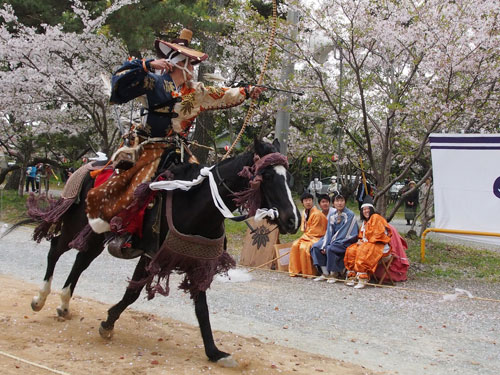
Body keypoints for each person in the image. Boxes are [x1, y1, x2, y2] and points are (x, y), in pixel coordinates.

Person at [86, 28, 265, 235]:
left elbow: (221, 94)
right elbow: (120, 80)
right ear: (178, 64)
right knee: (140, 184)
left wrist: (248, 91)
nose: (193, 68)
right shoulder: (153, 82)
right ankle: (125, 229)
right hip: (149, 145)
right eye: (189, 63)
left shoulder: (195, 91)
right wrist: (147, 64)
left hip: (178, 150)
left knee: (201, 183)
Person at [344, 196, 392, 289]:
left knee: (363, 250)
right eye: (364, 209)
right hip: (368, 244)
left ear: (372, 209)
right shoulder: (365, 222)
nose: (366, 211)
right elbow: (362, 236)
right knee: (351, 249)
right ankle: (352, 275)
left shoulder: (376, 217)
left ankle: (363, 278)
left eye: (368, 209)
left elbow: (379, 235)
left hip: (380, 245)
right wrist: (360, 241)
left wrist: (365, 242)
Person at [311, 194, 359, 283]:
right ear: (333, 203)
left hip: (346, 241)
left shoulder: (350, 214)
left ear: (345, 202)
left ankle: (334, 273)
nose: (339, 203)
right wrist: (325, 245)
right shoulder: (332, 215)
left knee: (331, 248)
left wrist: (329, 244)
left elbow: (345, 232)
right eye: (337, 201)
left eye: (342, 201)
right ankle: (325, 273)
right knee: (316, 247)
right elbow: (329, 231)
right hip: (335, 240)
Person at [288, 192, 328, 277]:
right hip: (307, 236)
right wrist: (304, 237)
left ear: (312, 201)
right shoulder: (304, 212)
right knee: (295, 244)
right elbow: (304, 228)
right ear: (302, 203)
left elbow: (315, 231)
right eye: (305, 200)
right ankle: (296, 270)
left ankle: (309, 272)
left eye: (309, 200)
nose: (308, 202)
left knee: (304, 247)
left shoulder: (317, 214)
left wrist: (303, 237)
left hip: (318, 237)